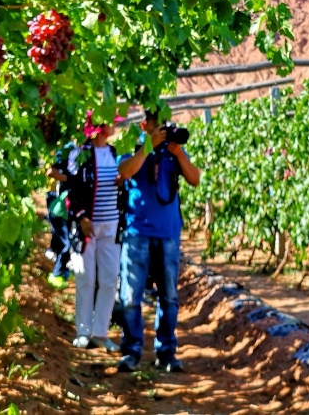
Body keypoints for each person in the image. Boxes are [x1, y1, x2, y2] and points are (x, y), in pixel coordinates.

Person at [115, 109, 200, 373]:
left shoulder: (172, 155)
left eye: (165, 125)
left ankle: (166, 352)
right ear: (144, 126)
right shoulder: (133, 150)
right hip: (137, 232)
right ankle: (131, 352)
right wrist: (147, 147)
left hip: (168, 233)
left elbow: (195, 179)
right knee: (130, 297)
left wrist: (178, 153)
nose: (162, 130)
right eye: (156, 126)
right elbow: (125, 172)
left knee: (169, 297)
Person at [52, 115, 124, 351]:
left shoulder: (115, 154)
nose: (115, 126)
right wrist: (82, 217)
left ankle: (100, 333)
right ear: (100, 128)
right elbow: (71, 187)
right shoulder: (79, 154)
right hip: (84, 229)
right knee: (85, 278)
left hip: (110, 226)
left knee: (109, 278)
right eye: (111, 122)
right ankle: (83, 331)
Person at [44, 139, 76, 285]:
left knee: (66, 242)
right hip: (60, 208)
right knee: (66, 244)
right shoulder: (66, 149)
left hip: (66, 208)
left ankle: (63, 272)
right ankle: (56, 274)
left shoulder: (81, 150)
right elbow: (50, 171)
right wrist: (70, 179)